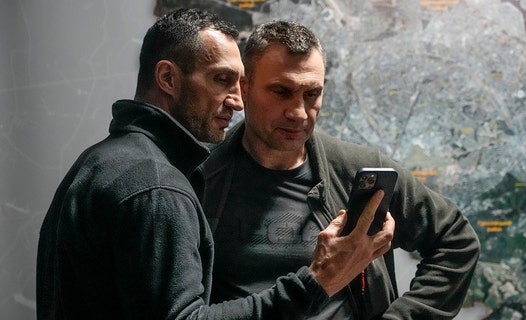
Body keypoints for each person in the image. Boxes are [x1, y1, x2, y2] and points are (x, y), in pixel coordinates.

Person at [36, 9, 394, 320]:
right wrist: (318, 281)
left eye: (238, 83)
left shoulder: (101, 160)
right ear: (168, 78)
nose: (238, 102)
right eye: (221, 80)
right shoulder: (156, 186)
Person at [200, 20, 481, 319]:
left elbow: (456, 240)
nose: (298, 112)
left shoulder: (357, 171)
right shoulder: (198, 177)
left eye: (311, 94)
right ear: (244, 89)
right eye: (281, 91)